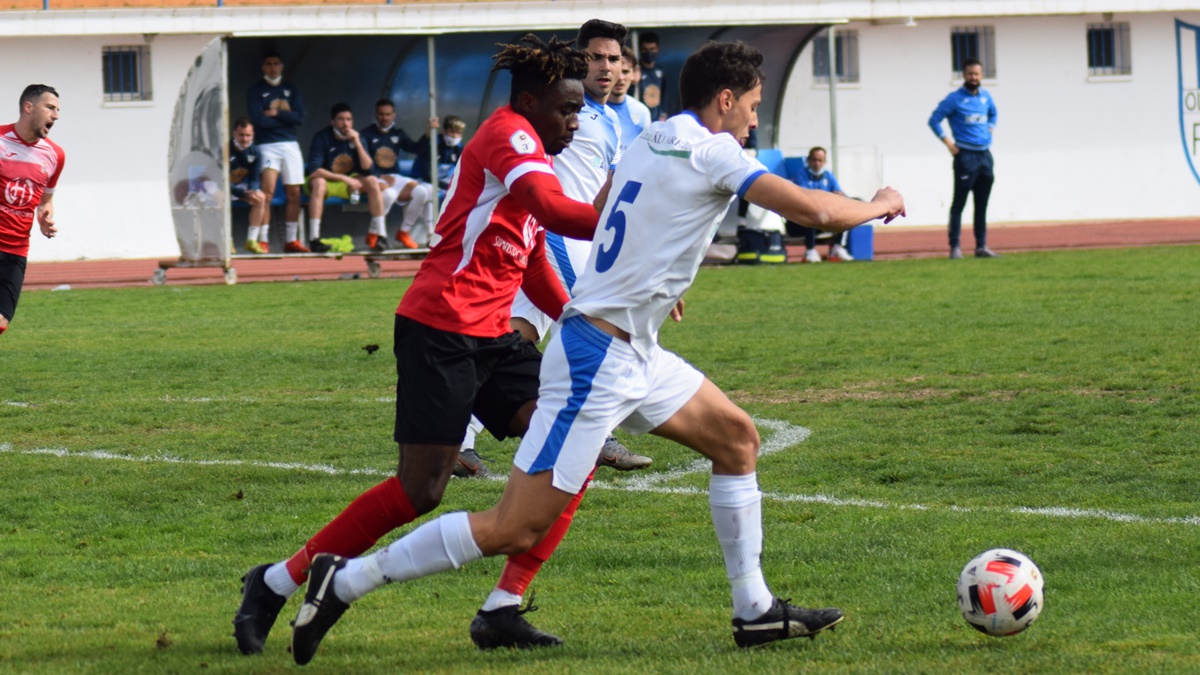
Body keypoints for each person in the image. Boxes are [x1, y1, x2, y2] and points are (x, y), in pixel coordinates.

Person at [287, 40, 906, 664]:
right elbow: (817, 212)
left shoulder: (654, 135)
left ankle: (755, 610)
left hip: (631, 345)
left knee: (737, 440)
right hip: (597, 358)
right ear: (725, 99)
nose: (753, 118)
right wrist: (880, 204)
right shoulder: (713, 148)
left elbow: (609, 202)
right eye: (751, 105)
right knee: (512, 525)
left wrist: (653, 269)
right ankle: (344, 580)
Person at [233, 34, 601, 657]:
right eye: (567, 108)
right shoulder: (508, 135)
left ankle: (505, 605)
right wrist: (631, 220)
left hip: (493, 337)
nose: (576, 120)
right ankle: (275, 581)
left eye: (580, 110)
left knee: (575, 443)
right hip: (441, 328)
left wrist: (576, 317)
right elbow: (545, 206)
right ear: (531, 101)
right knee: (420, 490)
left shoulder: (535, 151)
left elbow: (532, 256)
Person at [508, 18, 651, 472]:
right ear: (578, 58)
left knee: (518, 335)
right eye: (596, 57)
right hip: (560, 238)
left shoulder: (611, 117)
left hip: (580, 239)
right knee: (594, 330)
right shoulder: (564, 109)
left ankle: (460, 434)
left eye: (614, 59)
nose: (606, 67)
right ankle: (601, 435)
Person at [0, 84, 65, 337]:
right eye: (50, 107)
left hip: (16, 249)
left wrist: (44, 217)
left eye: (58, 110)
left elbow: (46, 200)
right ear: (29, 107)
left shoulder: (55, 155)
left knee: (2, 322)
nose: (56, 115)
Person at [928, 57, 999, 259]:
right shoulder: (954, 99)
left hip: (985, 155)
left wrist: (991, 129)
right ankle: (955, 247)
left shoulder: (986, 97)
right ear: (964, 75)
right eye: (970, 74)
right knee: (959, 203)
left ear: (982, 75)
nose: (974, 77)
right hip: (965, 156)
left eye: (977, 74)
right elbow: (934, 120)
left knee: (982, 204)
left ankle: (981, 246)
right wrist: (949, 144)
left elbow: (994, 114)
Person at [246, 52, 310, 254]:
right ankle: (263, 239)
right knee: (268, 191)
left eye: (276, 64)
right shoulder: (256, 90)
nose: (272, 67)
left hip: (290, 144)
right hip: (267, 144)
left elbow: (299, 118)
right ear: (263, 67)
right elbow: (258, 120)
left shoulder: (291, 89)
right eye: (268, 64)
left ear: (282, 66)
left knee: (294, 193)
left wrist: (276, 113)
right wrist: (286, 117)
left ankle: (291, 240)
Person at [305, 103, 385, 253]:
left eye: (348, 119)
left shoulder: (357, 137)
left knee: (373, 181)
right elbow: (314, 170)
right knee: (319, 183)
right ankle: (314, 239)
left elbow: (369, 169)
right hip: (325, 181)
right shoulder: (322, 137)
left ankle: (381, 235)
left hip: (348, 185)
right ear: (333, 122)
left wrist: (358, 144)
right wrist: (344, 179)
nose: (345, 123)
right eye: (341, 119)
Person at [360, 99, 435, 250]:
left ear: (394, 115)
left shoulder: (397, 134)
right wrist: (379, 176)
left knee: (422, 192)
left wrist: (428, 133)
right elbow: (363, 162)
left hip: (394, 176)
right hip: (374, 177)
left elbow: (415, 149)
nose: (384, 118)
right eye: (381, 114)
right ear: (376, 115)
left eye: (388, 114)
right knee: (389, 196)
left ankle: (403, 232)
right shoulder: (366, 134)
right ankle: (374, 234)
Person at [786, 146, 855, 263]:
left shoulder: (828, 176)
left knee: (847, 210)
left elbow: (838, 194)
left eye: (820, 160)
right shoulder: (800, 175)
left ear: (825, 162)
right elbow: (804, 198)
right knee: (812, 210)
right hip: (797, 223)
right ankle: (810, 250)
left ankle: (837, 248)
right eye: (814, 160)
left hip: (821, 221)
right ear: (808, 160)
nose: (817, 163)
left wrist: (840, 196)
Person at [230, 118, 270, 254]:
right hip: (217, 185)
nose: (245, 139)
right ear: (234, 134)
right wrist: (242, 194)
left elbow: (254, 177)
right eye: (241, 135)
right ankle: (226, 241)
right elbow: (220, 179)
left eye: (248, 135)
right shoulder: (224, 148)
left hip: (237, 187)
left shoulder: (255, 152)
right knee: (220, 198)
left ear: (253, 135)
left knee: (260, 197)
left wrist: (252, 191)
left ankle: (251, 240)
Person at [607, 46, 652, 157]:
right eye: (617, 72)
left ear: (634, 74)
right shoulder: (593, 109)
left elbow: (646, 153)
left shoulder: (642, 112)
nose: (621, 78)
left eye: (626, 72)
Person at [412, 114, 466, 190]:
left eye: (458, 133)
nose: (455, 136)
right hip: (422, 180)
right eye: (452, 132)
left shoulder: (459, 146)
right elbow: (426, 176)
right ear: (444, 131)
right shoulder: (432, 144)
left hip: (443, 180)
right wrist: (447, 187)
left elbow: (463, 168)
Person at [638, 31, 671, 121]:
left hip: (656, 120)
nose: (649, 53)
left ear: (657, 49)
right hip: (640, 119)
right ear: (640, 50)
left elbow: (665, 96)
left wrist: (663, 113)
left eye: (652, 49)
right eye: (645, 49)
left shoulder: (661, 73)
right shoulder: (636, 72)